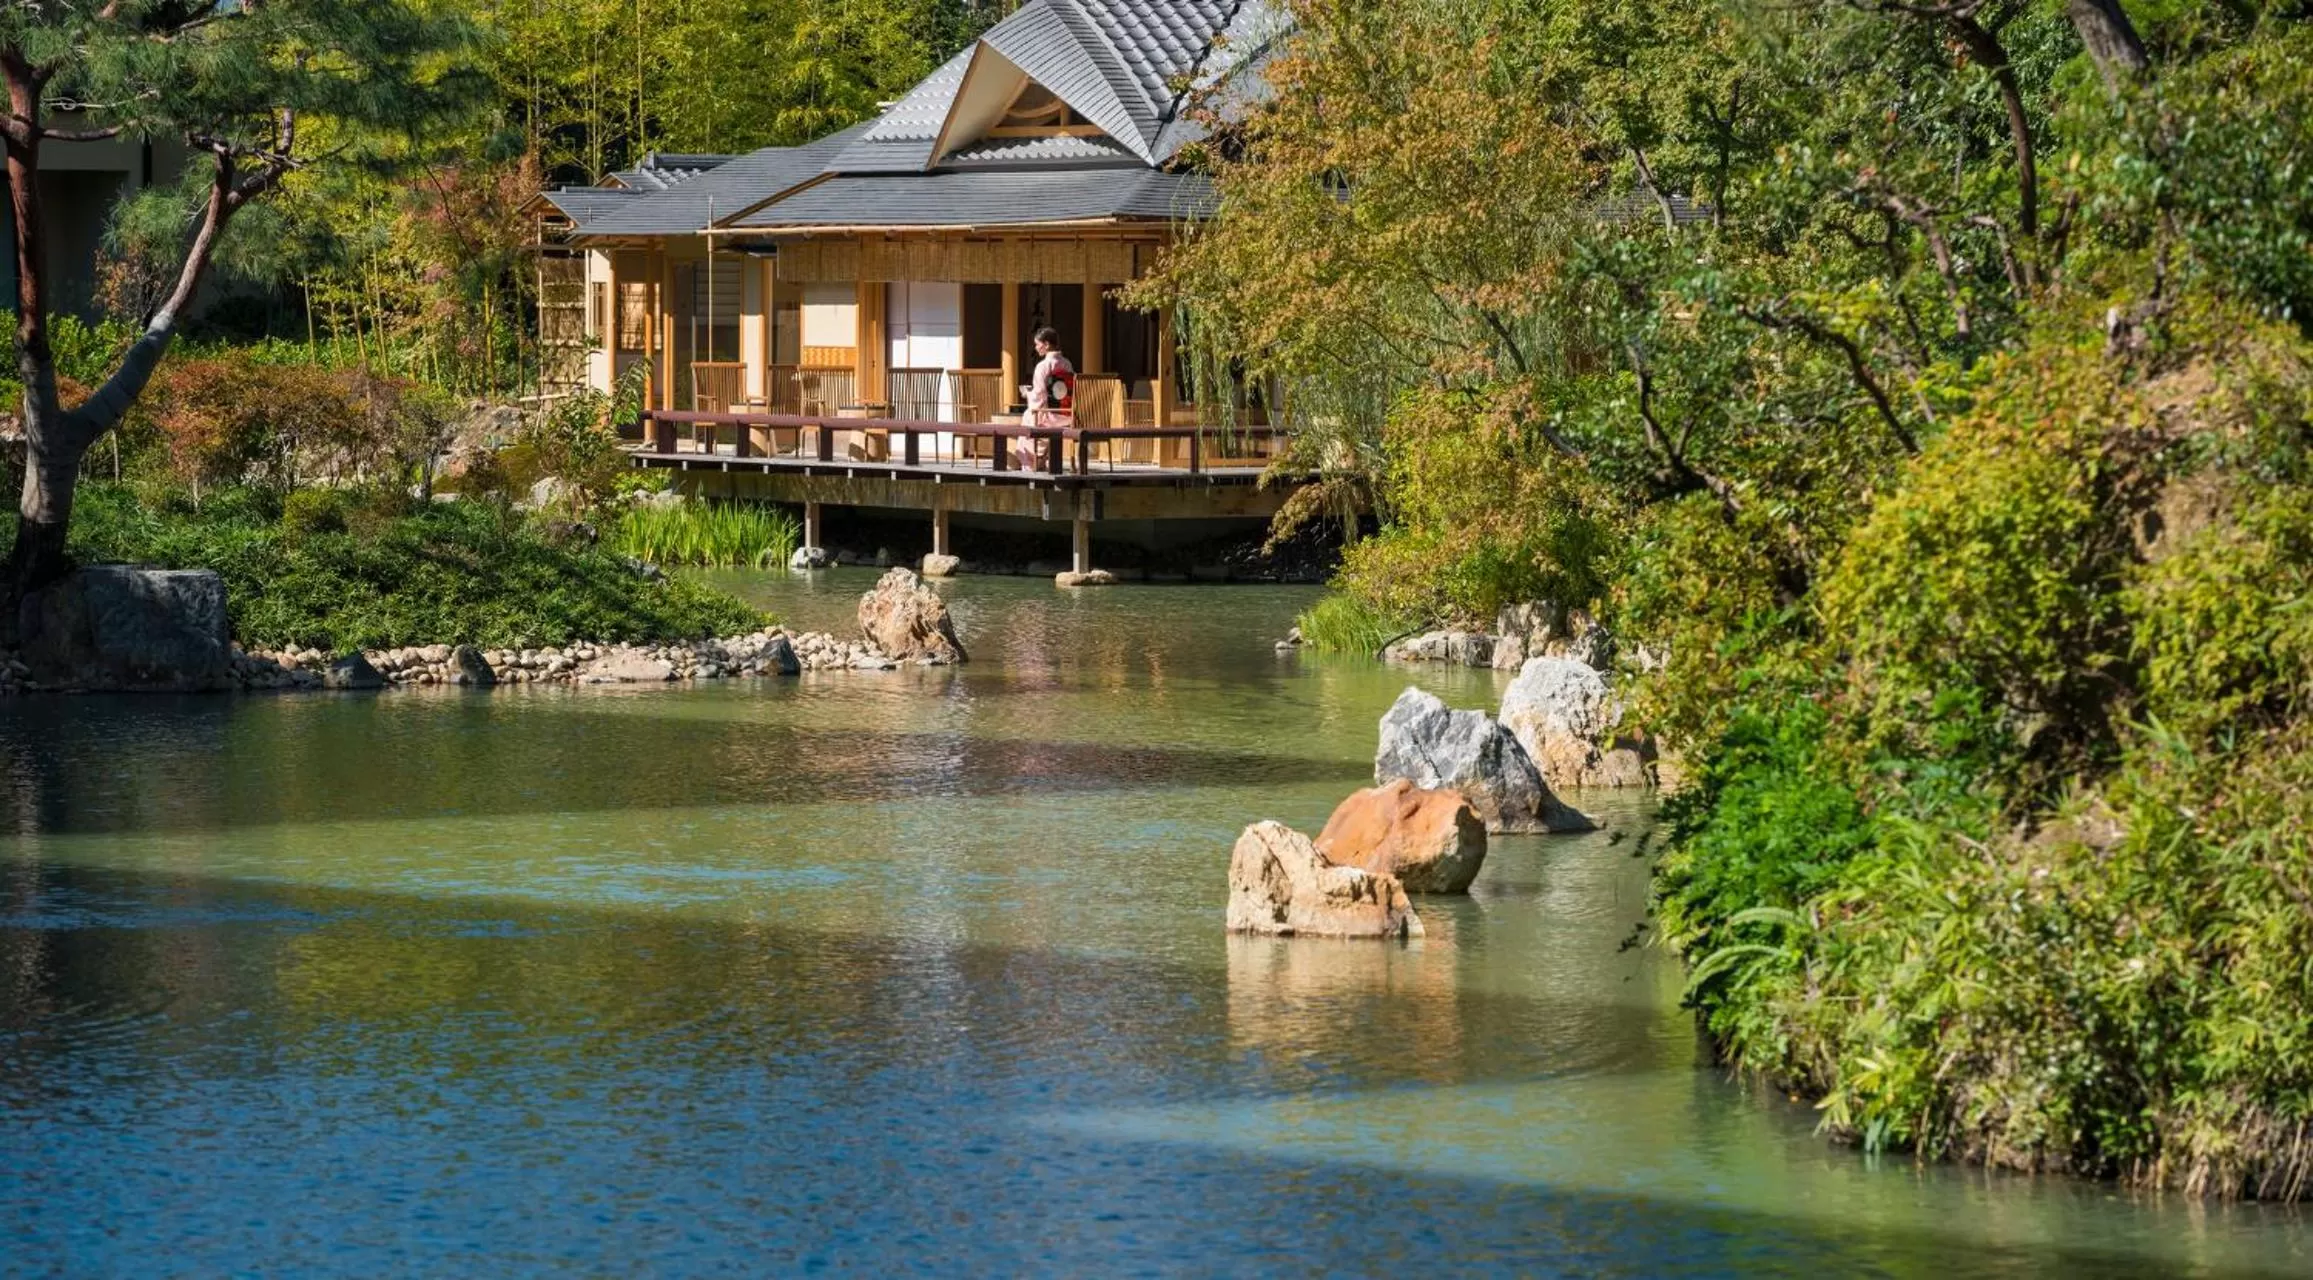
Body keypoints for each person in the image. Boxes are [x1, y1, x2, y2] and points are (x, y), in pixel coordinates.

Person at [1014, 327, 1075, 469]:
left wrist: (1028, 394)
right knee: (1030, 415)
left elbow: (1040, 396)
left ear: (1046, 344)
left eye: (1037, 344)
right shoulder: (1067, 364)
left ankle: (1032, 462)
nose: (1036, 348)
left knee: (1028, 416)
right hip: (1067, 414)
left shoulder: (1043, 366)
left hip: (1050, 416)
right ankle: (1041, 458)